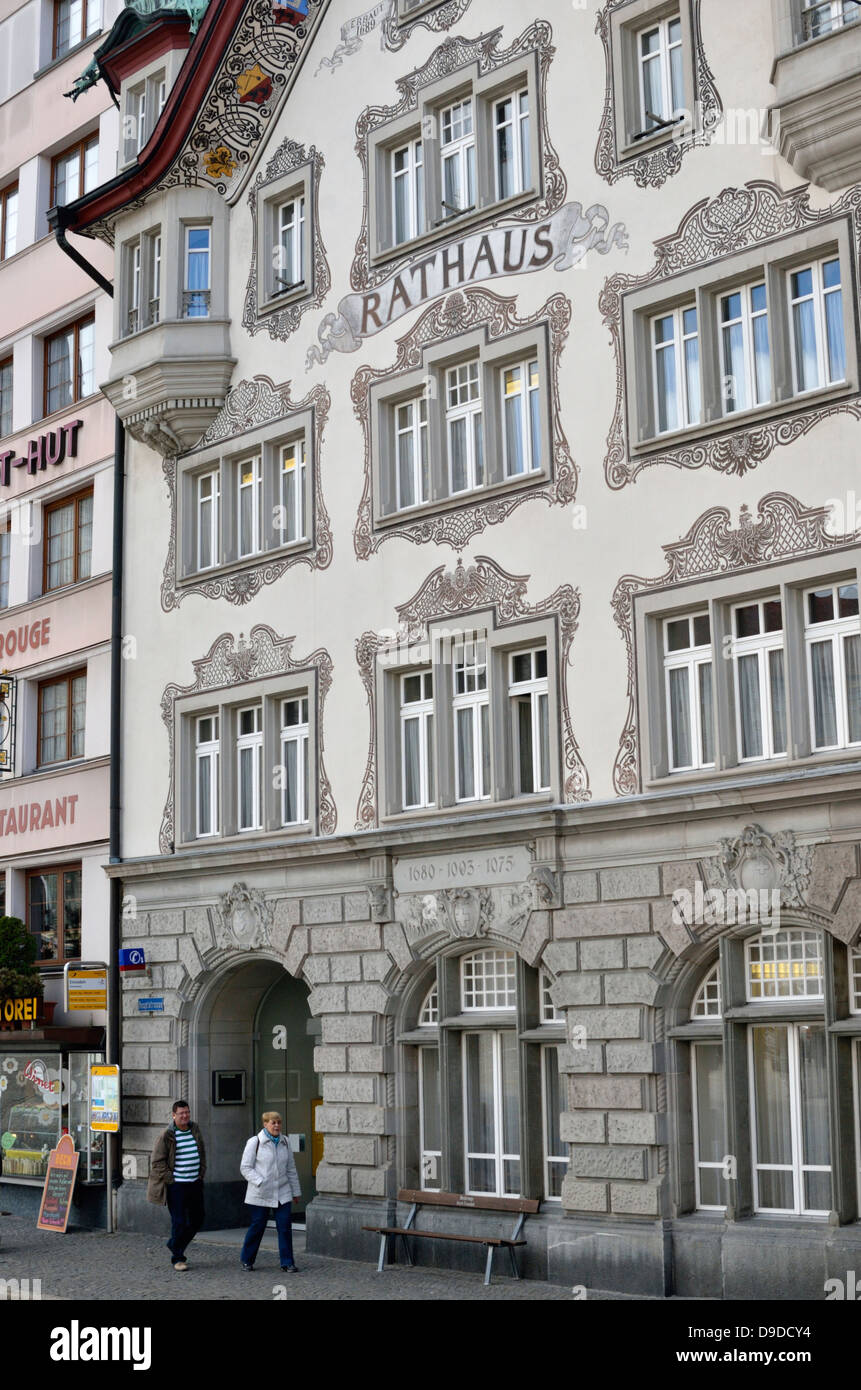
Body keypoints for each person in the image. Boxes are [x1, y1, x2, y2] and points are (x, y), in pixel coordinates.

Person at [147, 1099, 207, 1272]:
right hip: (177, 1186)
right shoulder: (167, 1135)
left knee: (198, 1219)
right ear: (174, 1116)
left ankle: (174, 1243)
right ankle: (178, 1258)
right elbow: (157, 1162)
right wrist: (171, 1179)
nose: (185, 1116)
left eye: (187, 1112)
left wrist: (201, 1172)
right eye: (181, 1113)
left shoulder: (194, 1129)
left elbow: (201, 1152)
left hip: (195, 1183)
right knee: (179, 1221)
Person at [239, 1111, 301, 1272]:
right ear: (265, 1124)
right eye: (273, 1123)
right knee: (258, 1226)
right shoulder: (255, 1142)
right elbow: (245, 1167)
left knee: (285, 1227)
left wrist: (295, 1191)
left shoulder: (285, 1141)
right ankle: (247, 1259)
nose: (276, 1126)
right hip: (261, 1193)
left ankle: (287, 1262)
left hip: (283, 1191)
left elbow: (291, 1169)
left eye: (279, 1123)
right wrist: (260, 1181)